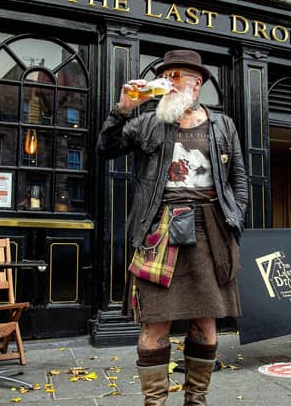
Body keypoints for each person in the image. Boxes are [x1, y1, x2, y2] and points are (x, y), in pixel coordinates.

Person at [96, 50, 248, 406]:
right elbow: (105, 148)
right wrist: (122, 109)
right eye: (167, 75)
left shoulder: (223, 125)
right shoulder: (148, 121)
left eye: (179, 75)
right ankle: (155, 403)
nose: (172, 81)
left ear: (197, 83)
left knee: (206, 322)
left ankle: (196, 400)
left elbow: (239, 178)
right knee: (155, 323)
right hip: (160, 227)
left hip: (211, 227)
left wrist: (236, 218)